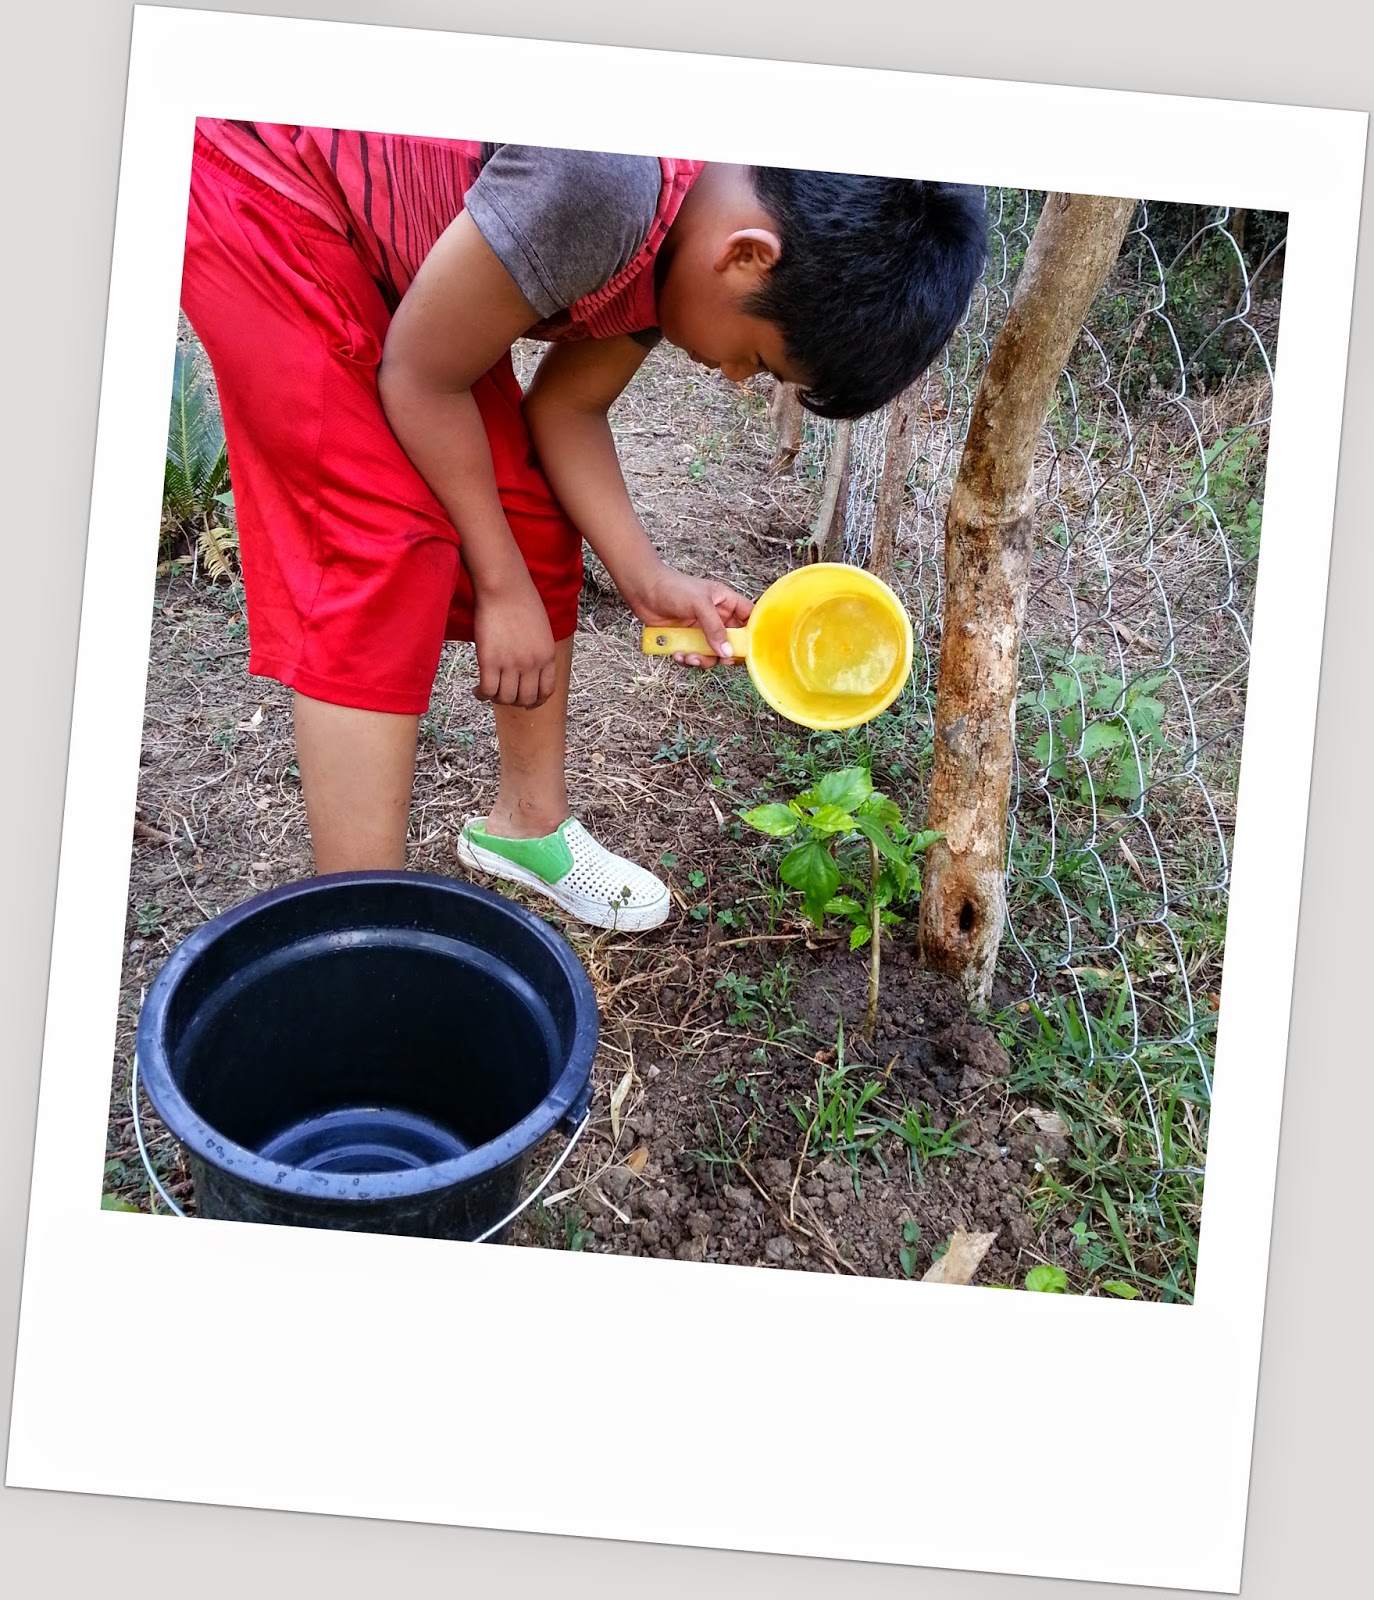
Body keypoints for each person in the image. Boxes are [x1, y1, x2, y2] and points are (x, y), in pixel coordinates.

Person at [179, 122, 987, 931]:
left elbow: (565, 407)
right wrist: (500, 590)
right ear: (748, 255)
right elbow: (422, 379)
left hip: (397, 245)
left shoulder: (682, 245)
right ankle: (359, 934)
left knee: (531, 508)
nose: (740, 377)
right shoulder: (605, 183)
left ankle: (527, 827)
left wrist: (648, 581)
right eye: (761, 360)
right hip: (273, 189)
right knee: (379, 546)